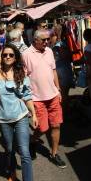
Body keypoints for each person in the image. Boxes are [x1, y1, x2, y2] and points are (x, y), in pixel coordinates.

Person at [0, 43, 38, 181]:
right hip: (3, 119)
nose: (7, 57)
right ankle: (12, 173)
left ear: (15, 58)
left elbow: (27, 96)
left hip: (21, 116)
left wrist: (33, 114)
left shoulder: (21, 73)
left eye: (11, 55)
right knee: (9, 150)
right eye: (4, 55)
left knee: (25, 152)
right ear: (1, 57)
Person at [22, 29, 66, 168]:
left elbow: (53, 71)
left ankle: (54, 154)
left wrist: (58, 89)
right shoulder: (26, 54)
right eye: (44, 40)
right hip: (36, 98)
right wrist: (26, 98)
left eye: (48, 39)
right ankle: (33, 141)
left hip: (53, 95)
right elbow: (23, 77)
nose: (47, 42)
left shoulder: (49, 51)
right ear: (35, 40)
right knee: (42, 127)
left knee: (56, 125)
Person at [51, 25, 74, 116]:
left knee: (62, 92)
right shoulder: (60, 44)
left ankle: (64, 111)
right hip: (62, 68)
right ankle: (64, 112)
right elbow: (64, 56)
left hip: (58, 67)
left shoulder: (54, 42)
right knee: (64, 92)